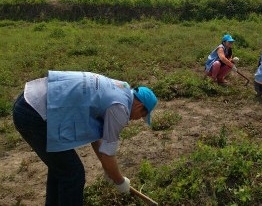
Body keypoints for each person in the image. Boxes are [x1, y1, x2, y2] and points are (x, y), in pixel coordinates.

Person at [12, 70, 158, 206]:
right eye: (142, 116)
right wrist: (119, 181)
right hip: (34, 112)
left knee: (61, 169)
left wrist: (110, 171)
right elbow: (108, 153)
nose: (137, 119)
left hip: (30, 98)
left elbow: (96, 138)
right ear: (140, 107)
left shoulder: (119, 89)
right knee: (73, 174)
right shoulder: (120, 108)